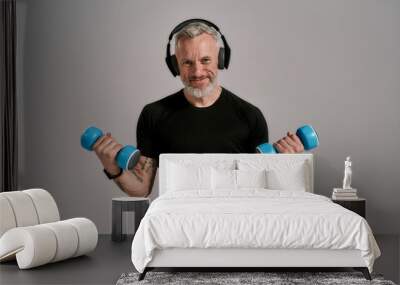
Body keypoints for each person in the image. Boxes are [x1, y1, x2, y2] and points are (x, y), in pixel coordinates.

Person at [92, 20, 304, 197]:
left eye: (205, 60)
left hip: (235, 221)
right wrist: (112, 167)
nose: (197, 71)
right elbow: (141, 188)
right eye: (187, 63)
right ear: (175, 65)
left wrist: (285, 165)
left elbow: (260, 190)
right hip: (177, 223)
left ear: (220, 60)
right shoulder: (154, 115)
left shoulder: (249, 116)